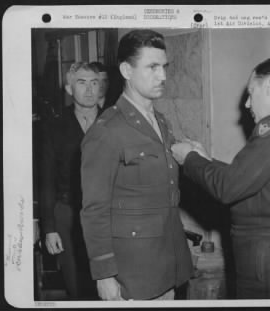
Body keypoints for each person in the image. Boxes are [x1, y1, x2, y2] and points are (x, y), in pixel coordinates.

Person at [171, 58, 270, 299]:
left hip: (268, 260)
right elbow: (250, 179)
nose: (248, 103)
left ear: (269, 86)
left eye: (251, 93)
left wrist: (188, 158)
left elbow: (228, 188)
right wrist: (206, 160)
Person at [80, 29, 193, 301]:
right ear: (126, 70)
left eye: (164, 67)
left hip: (168, 265)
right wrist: (104, 275)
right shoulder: (107, 131)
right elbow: (94, 209)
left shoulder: (159, 121)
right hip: (133, 273)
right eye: (152, 67)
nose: (163, 76)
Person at [39, 61, 101, 300]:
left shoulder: (114, 123)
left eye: (94, 83)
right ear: (68, 88)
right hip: (68, 214)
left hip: (109, 214)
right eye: (81, 83)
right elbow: (46, 181)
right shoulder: (53, 127)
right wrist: (49, 228)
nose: (89, 90)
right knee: (77, 286)